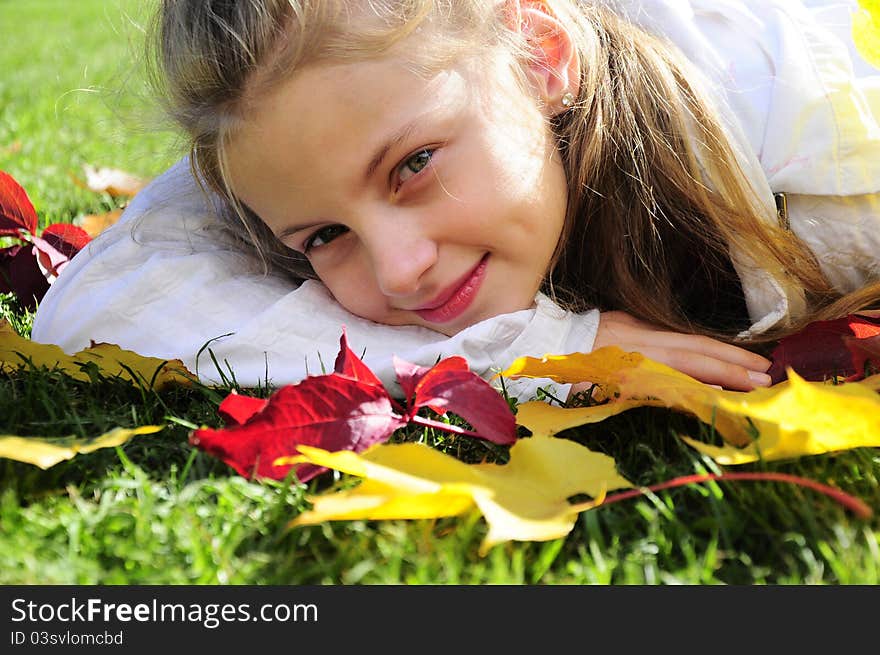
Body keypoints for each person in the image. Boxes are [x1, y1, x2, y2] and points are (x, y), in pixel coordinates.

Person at [31, 0, 880, 402]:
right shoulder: (282, 136)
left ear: (542, 55)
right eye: (325, 234)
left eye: (414, 165)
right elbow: (95, 307)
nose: (399, 271)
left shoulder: (824, 141)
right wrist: (541, 346)